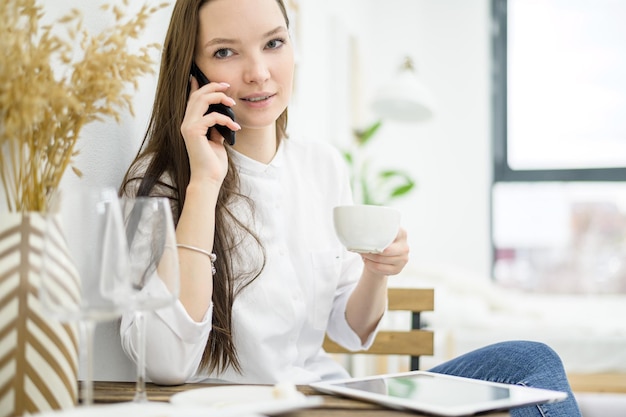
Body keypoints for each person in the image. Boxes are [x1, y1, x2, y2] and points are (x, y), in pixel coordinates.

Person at [119, 0, 582, 416]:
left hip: (331, 400)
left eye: (274, 43)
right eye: (225, 52)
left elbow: (350, 329)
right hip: (241, 407)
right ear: (191, 70)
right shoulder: (158, 184)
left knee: (532, 363)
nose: (259, 71)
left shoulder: (322, 165)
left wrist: (376, 269)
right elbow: (165, 362)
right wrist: (205, 183)